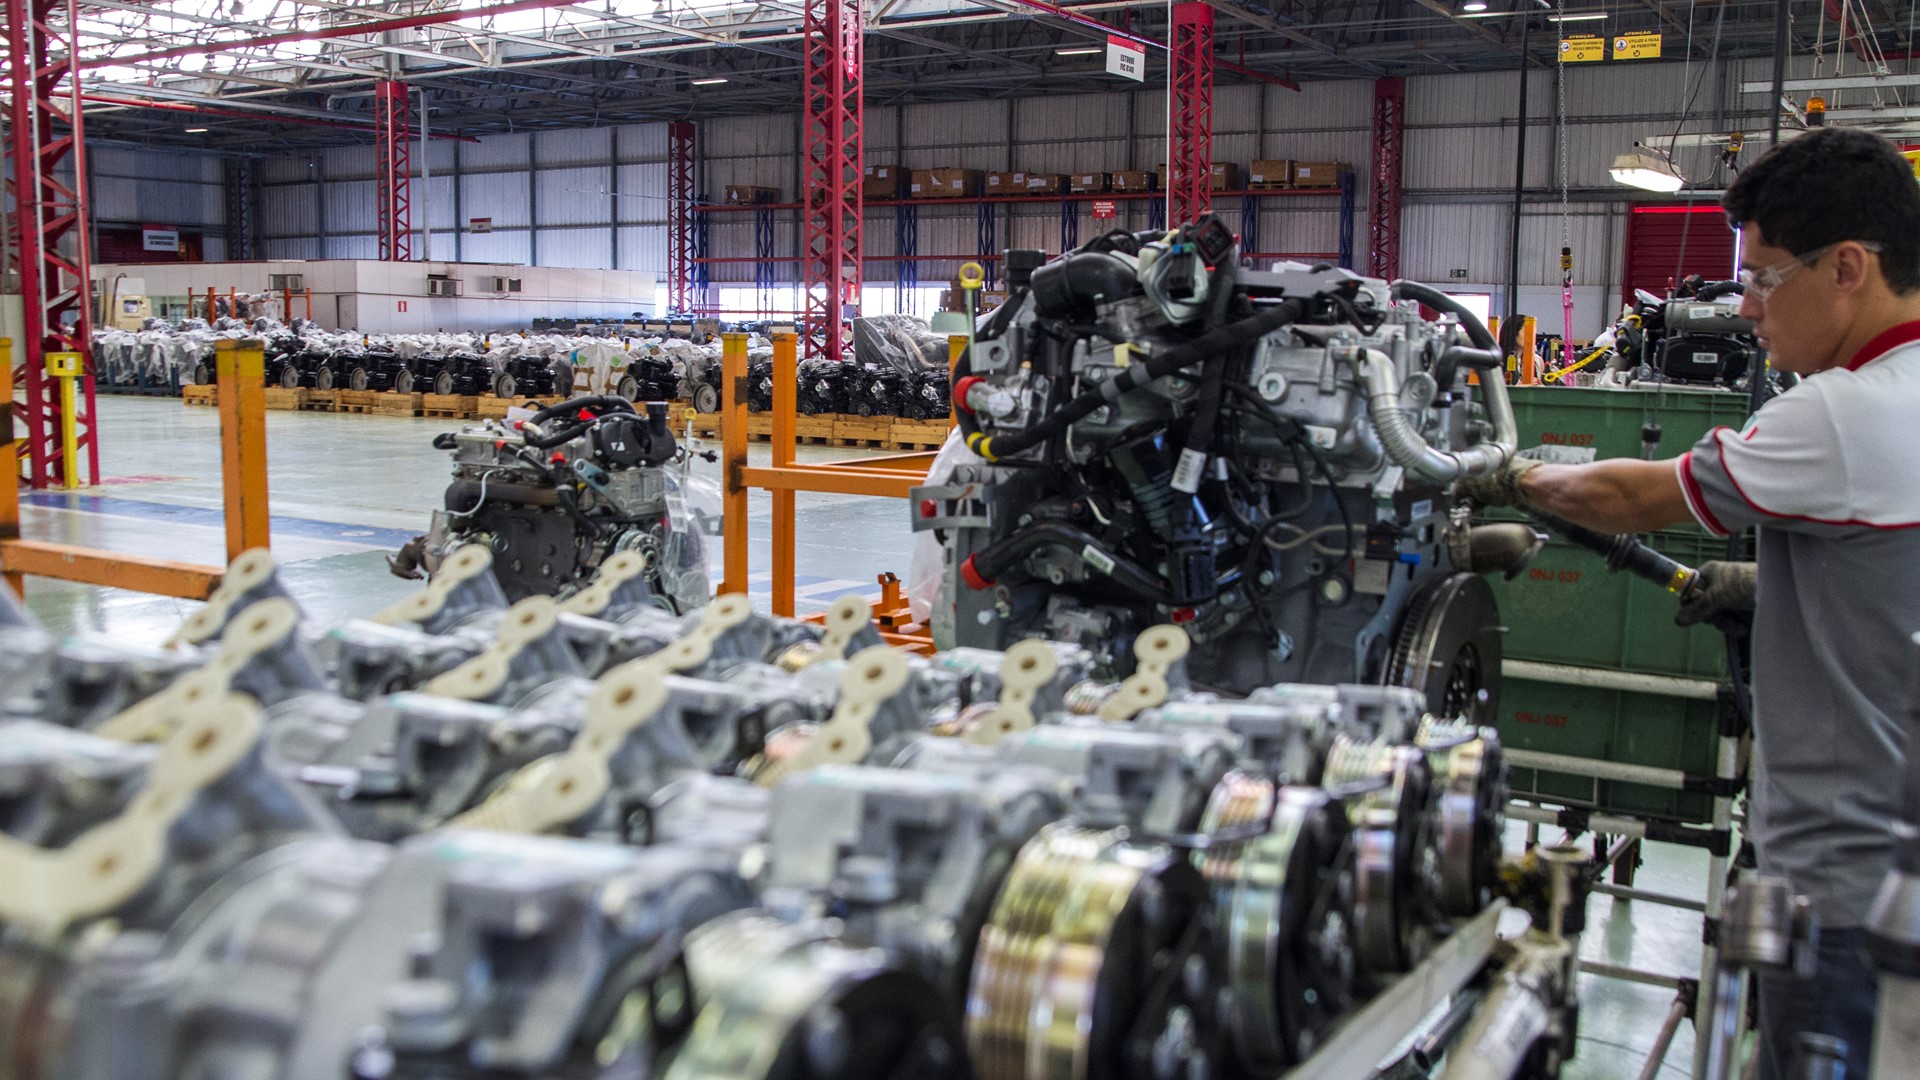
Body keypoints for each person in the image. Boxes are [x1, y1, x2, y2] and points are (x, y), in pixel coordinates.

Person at [1463, 125, 1920, 1080]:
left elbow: (1626, 498)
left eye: (1762, 278)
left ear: (1848, 268)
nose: (1747, 308)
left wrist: (1508, 472)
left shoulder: (1839, 412)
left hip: (1846, 888)